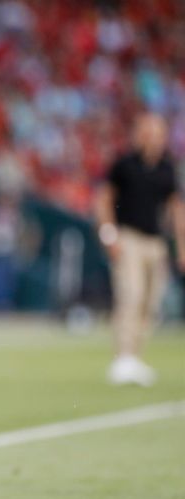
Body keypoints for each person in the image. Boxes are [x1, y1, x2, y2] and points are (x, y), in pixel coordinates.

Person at [96, 112, 185, 386]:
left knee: (151, 301)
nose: (154, 139)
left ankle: (135, 356)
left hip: (155, 243)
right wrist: (109, 235)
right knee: (130, 295)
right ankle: (122, 357)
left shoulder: (166, 169)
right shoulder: (124, 165)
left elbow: (175, 209)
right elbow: (103, 200)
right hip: (129, 238)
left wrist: (181, 246)